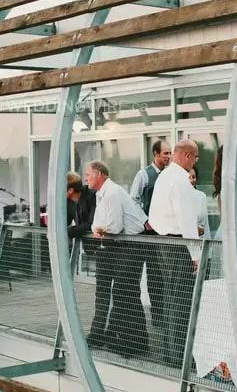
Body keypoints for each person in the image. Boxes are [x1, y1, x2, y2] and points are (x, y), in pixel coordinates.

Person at [84, 160, 149, 357]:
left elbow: (112, 226)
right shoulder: (102, 193)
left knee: (125, 292)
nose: (86, 178)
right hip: (121, 245)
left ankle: (133, 342)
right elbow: (97, 224)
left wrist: (100, 230)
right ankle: (126, 340)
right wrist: (99, 229)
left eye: (88, 174)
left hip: (132, 244)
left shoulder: (111, 193)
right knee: (125, 293)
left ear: (100, 174)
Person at [149, 139, 201, 367]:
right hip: (179, 245)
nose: (195, 162)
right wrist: (196, 254)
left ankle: (171, 354)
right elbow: (186, 221)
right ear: (188, 156)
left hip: (163, 242)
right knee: (182, 302)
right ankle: (181, 356)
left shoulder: (164, 176)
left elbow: (153, 216)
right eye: (196, 157)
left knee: (170, 299)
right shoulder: (181, 181)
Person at [128, 140, 169, 326]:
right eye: (165, 154)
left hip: (165, 230)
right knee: (153, 273)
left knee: (162, 273)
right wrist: (145, 220)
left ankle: (164, 313)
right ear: (156, 154)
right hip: (149, 231)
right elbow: (133, 199)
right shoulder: (144, 174)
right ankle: (157, 316)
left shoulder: (170, 174)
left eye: (170, 153)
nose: (168, 157)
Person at [65, 172, 93, 238]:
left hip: (100, 243)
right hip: (84, 243)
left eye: (60, 188)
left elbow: (90, 223)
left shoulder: (92, 195)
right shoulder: (68, 200)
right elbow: (66, 221)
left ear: (70, 190)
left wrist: (69, 231)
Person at [188, 166, 208, 236]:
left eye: (193, 177)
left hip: (200, 241)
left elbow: (206, 224)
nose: (191, 180)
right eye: (188, 177)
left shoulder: (202, 196)